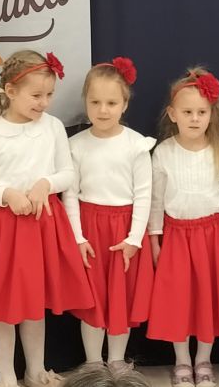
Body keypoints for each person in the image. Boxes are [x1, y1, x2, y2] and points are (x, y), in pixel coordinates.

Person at [0, 51, 91, 387]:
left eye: (49, 95)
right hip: (4, 230)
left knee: (34, 304)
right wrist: (7, 195)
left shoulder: (53, 127)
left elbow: (67, 174)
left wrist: (46, 184)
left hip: (43, 225)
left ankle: (35, 370)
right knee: (3, 308)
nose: (44, 102)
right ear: (10, 91)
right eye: (36, 95)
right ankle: (6, 377)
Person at [64, 57, 155, 374]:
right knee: (92, 300)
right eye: (95, 102)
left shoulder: (136, 145)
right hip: (90, 230)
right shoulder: (76, 145)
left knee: (120, 298)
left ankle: (116, 359)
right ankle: (92, 362)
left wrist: (134, 240)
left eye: (112, 103)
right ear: (86, 103)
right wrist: (77, 238)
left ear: (125, 104)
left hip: (124, 232)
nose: (103, 110)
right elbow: (70, 195)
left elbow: (144, 194)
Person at [147, 68, 219, 387]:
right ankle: (182, 361)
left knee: (207, 299)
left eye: (201, 112)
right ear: (173, 114)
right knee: (178, 300)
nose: (195, 119)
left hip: (212, 234)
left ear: (211, 114)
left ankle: (203, 361)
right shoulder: (164, 152)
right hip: (176, 235)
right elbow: (156, 200)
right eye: (187, 112)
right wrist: (155, 238)